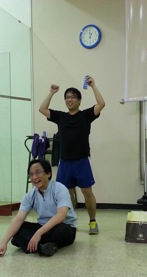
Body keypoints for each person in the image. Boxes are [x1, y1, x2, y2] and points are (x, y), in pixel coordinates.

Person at [39, 75, 105, 235]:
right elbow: (42, 109)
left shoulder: (85, 115)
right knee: (66, 195)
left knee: (87, 193)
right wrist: (51, 93)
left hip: (82, 161)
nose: (69, 100)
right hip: (65, 163)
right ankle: (70, 221)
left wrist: (93, 86)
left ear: (79, 101)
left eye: (73, 97)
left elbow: (101, 104)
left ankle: (92, 221)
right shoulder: (60, 117)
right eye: (67, 97)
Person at [0, 159, 77, 257]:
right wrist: (3, 243)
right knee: (17, 229)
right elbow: (19, 219)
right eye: (31, 174)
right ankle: (43, 248)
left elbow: (61, 216)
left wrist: (38, 233)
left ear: (48, 174)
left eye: (38, 172)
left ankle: (29, 243)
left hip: (63, 226)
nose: (34, 177)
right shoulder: (30, 195)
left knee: (62, 230)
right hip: (43, 226)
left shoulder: (60, 189)